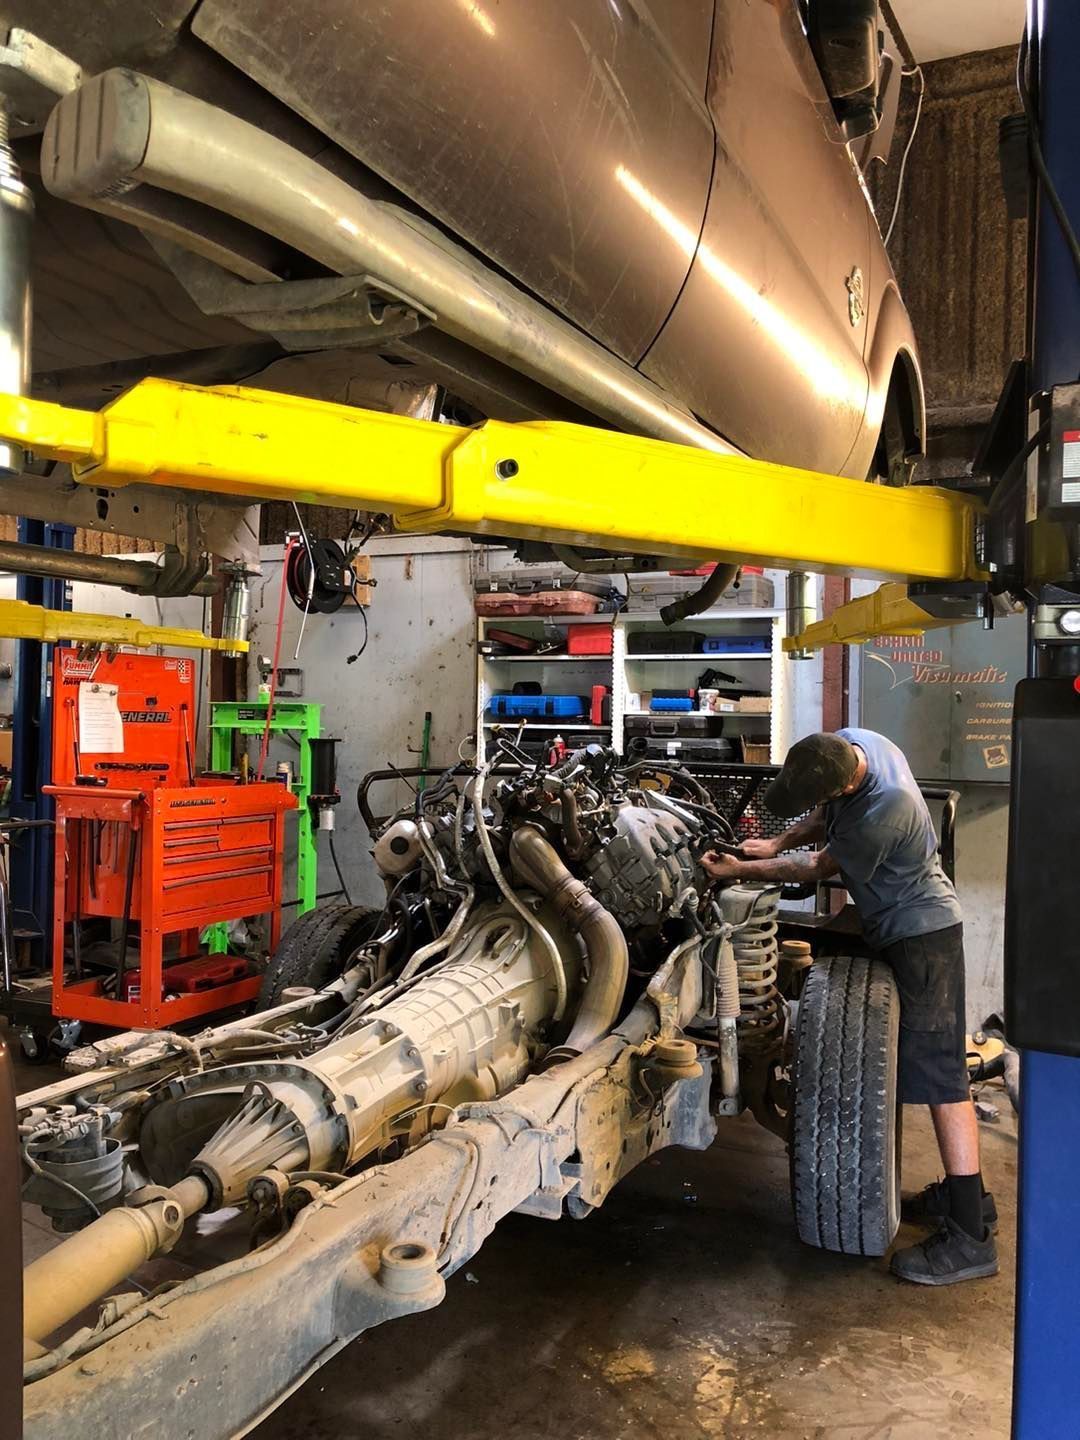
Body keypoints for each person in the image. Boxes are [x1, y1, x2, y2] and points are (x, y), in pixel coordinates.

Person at [701, 727, 998, 1286]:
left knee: (941, 1080)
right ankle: (969, 1201)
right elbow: (822, 819)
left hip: (922, 933)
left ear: (846, 782)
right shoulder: (859, 742)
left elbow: (817, 868)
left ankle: (971, 1238)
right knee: (937, 1075)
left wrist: (740, 868)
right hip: (903, 924)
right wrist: (773, 841)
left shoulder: (886, 810)